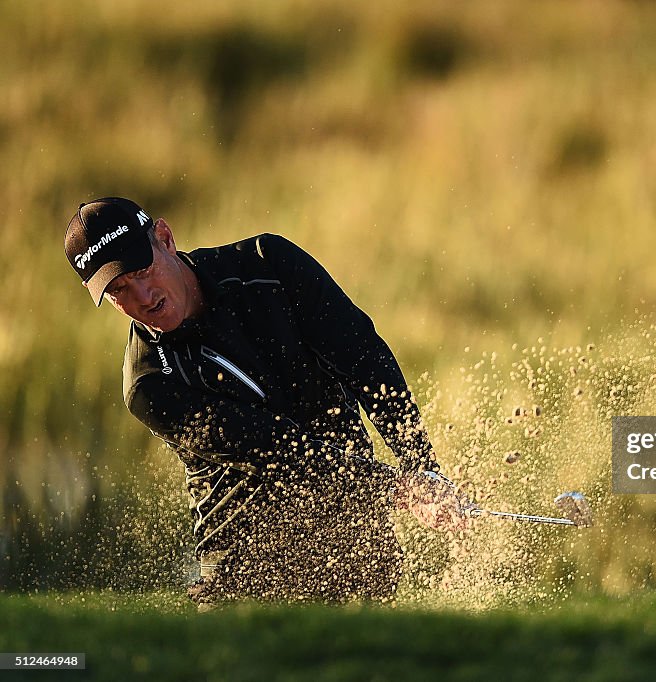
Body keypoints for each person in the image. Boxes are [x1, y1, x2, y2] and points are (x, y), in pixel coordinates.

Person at [64, 197, 467, 608]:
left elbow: (365, 361)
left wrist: (423, 469)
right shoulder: (150, 384)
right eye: (118, 290)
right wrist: (398, 488)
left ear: (165, 238)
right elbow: (278, 450)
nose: (143, 296)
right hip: (248, 569)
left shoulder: (269, 265)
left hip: (358, 542)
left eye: (141, 270)